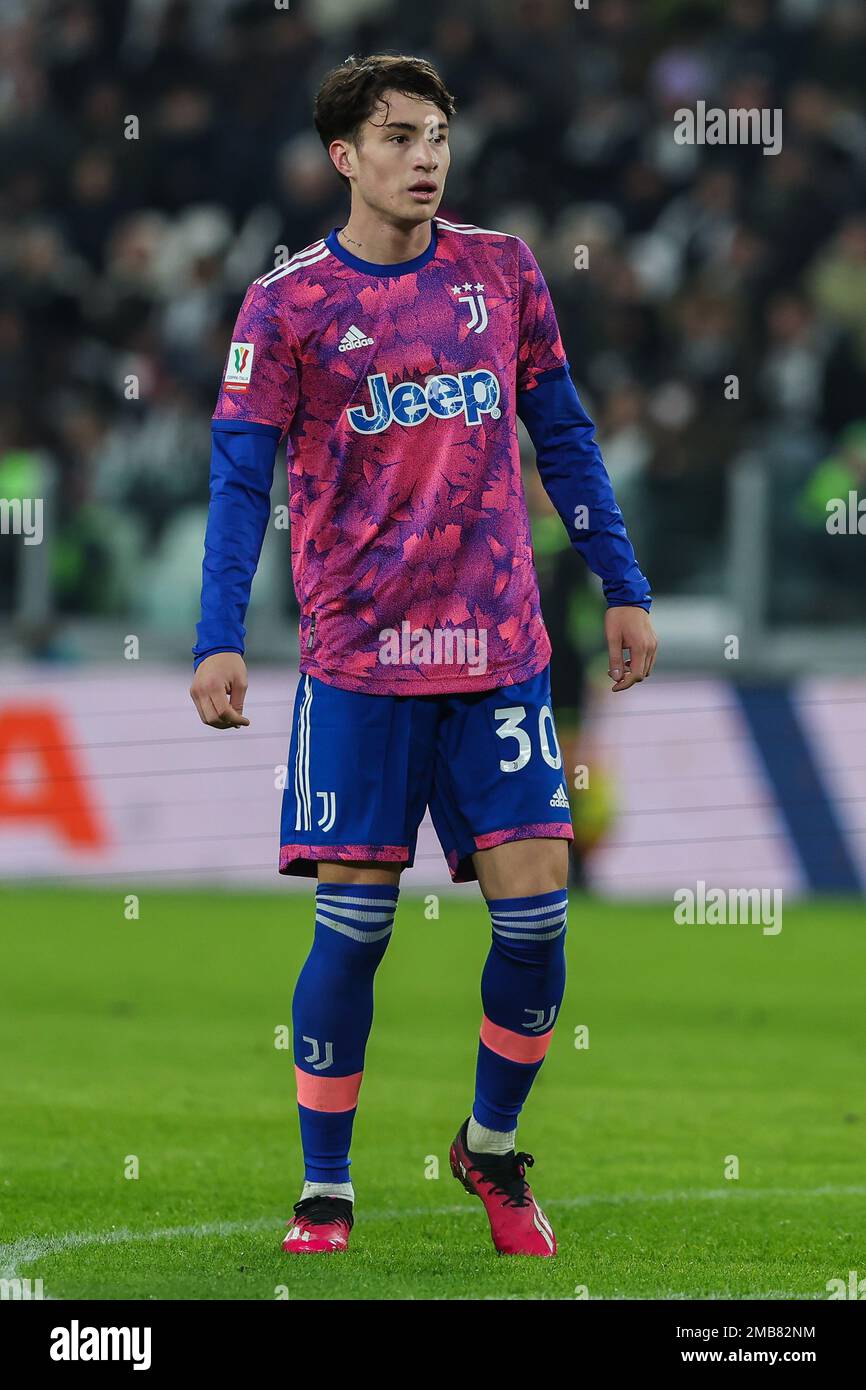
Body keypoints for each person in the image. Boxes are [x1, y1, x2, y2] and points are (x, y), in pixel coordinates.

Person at [190, 53, 657, 1259]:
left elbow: (559, 425)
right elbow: (240, 479)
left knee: (538, 920)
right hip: (358, 658)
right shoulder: (285, 304)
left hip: (499, 645)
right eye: (398, 136)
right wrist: (216, 636)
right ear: (344, 156)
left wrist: (620, 584)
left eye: (437, 133)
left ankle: (490, 1148)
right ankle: (325, 1190)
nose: (425, 156)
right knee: (355, 925)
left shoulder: (498, 271)